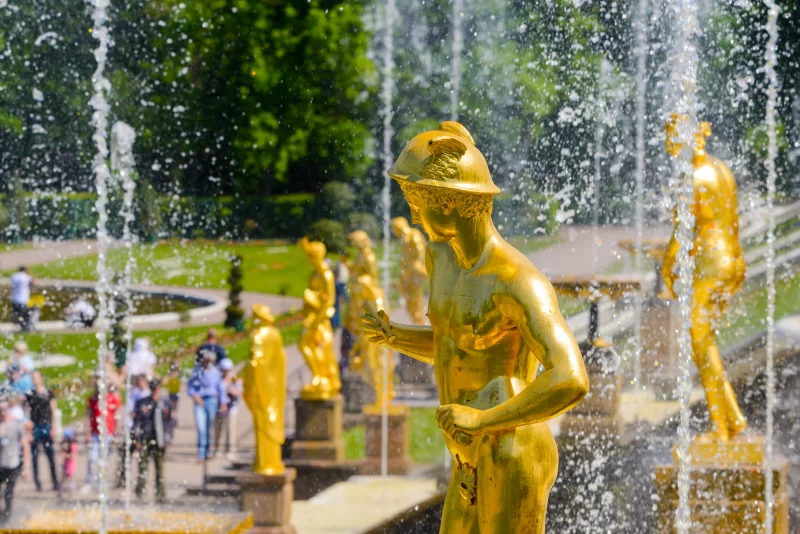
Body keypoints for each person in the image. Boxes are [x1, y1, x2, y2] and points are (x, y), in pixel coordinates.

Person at [363, 122, 588, 532]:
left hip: (510, 447)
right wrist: (392, 335)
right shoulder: (440, 259)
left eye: (417, 201)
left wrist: (482, 421)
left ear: (449, 201)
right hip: (465, 452)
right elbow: (454, 344)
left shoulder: (517, 280)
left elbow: (571, 378)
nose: (412, 216)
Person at [133, 380, 171, 502]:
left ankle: (161, 494)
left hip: (159, 438)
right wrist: (137, 439)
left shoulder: (163, 403)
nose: (155, 390)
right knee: (142, 466)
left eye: (157, 388)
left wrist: (167, 439)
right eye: (153, 388)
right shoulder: (142, 402)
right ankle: (140, 492)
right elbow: (137, 422)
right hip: (145, 437)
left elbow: (168, 422)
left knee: (159, 467)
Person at [187, 352, 228, 462]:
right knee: (201, 427)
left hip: (211, 399)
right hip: (200, 400)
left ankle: (208, 451)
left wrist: (222, 402)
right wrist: (195, 396)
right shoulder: (197, 371)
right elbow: (190, 386)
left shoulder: (215, 371)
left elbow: (220, 388)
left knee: (209, 426)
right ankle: (201, 452)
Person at [25, 371, 58, 491]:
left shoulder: (48, 393)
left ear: (41, 378)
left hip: (46, 426)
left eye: (36, 378)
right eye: (32, 378)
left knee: (50, 455)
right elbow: (27, 413)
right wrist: (28, 432)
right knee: (35, 456)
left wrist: (53, 427)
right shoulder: (30, 394)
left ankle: (54, 480)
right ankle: (37, 482)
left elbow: (53, 410)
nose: (35, 380)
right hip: (35, 427)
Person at [86, 380, 121, 491]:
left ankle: (102, 483)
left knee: (104, 460)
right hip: (95, 434)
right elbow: (88, 416)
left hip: (109, 434)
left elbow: (117, 417)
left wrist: (117, 433)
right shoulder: (93, 399)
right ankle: (90, 482)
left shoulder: (113, 398)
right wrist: (87, 433)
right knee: (92, 458)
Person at [213, 359, 243, 461]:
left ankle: (231, 450)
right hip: (219, 407)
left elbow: (239, 392)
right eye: (224, 370)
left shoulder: (234, 380)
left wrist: (231, 389)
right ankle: (217, 448)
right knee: (218, 429)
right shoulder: (218, 379)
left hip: (232, 407)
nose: (225, 372)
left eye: (227, 370)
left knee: (231, 429)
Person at [0, 402, 25, 523]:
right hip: (1, 464)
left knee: (9, 492)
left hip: (13, 464)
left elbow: (25, 443)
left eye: (4, 409)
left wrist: (27, 467)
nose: (2, 412)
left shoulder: (15, 424)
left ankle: (7, 516)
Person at [9, 267, 34, 332]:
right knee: (24, 315)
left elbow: (12, 285)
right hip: (23, 299)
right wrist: (30, 273)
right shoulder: (26, 276)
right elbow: (34, 282)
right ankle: (24, 328)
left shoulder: (14, 276)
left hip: (15, 298)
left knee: (17, 314)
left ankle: (18, 327)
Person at [164, 363, 181, 446]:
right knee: (173, 409)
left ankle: (173, 418)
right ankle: (173, 418)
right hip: (172, 394)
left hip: (175, 394)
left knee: (174, 409)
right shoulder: (174, 375)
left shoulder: (175, 375)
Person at [331, 252, 350, 330]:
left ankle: (337, 322)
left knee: (338, 303)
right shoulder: (340, 264)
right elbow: (335, 273)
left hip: (342, 284)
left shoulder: (344, 264)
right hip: (339, 284)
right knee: (337, 303)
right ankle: (335, 322)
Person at [60, 428, 78, 498]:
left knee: (70, 478)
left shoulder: (73, 446)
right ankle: (61, 492)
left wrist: (66, 455)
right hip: (65, 464)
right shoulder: (65, 446)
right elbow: (62, 455)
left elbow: (72, 456)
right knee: (63, 479)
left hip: (71, 465)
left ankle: (71, 492)